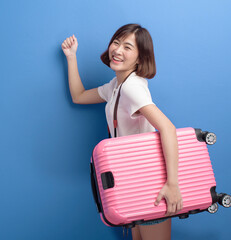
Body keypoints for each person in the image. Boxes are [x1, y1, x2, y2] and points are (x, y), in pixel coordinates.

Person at [61, 24, 183, 240]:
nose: (117, 50)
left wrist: (172, 184)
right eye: (116, 43)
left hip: (149, 183)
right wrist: (71, 57)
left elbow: (167, 128)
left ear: (139, 58)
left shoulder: (132, 87)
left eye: (127, 47)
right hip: (131, 181)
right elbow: (79, 96)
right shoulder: (116, 86)